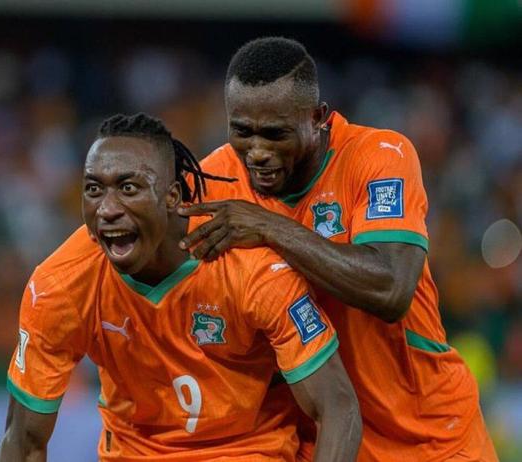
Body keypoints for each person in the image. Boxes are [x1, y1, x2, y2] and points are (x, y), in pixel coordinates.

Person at [179, 37, 498, 461]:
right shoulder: (214, 180)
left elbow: (391, 289)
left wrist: (268, 226)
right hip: (323, 439)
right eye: (242, 131)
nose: (256, 151)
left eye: (275, 134)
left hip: (428, 438)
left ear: (318, 118)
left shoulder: (380, 156)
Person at [0, 113, 362, 461]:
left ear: (172, 196)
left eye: (128, 188)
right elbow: (23, 440)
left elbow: (338, 408)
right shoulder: (59, 287)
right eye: (93, 189)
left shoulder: (252, 271)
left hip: (244, 451)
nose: (107, 209)